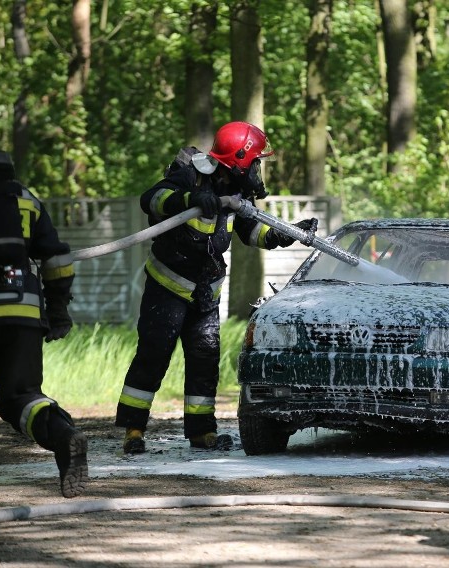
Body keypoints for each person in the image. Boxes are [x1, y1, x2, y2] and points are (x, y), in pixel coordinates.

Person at [115, 121, 316, 454]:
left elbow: (252, 232)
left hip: (206, 293)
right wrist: (192, 198)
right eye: (255, 160)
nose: (257, 167)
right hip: (168, 288)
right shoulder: (190, 175)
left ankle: (202, 432)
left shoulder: (240, 193)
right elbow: (152, 199)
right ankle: (133, 430)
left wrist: (287, 234)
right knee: (153, 356)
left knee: (205, 359)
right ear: (239, 159)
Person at [0, 124, 88, 505]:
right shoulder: (21, 196)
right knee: (21, 396)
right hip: (22, 310)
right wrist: (57, 309)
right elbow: (56, 258)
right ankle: (62, 436)